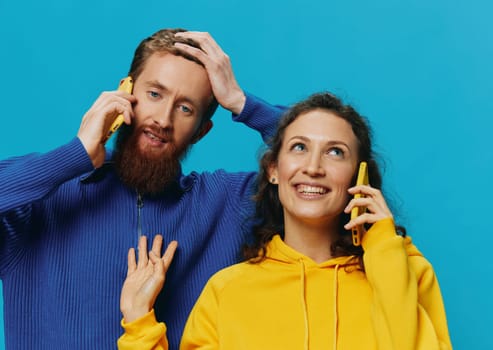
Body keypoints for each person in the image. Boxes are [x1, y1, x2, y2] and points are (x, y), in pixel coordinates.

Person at [0, 28, 285, 349]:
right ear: (126, 91)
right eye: (155, 94)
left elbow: (338, 170)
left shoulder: (228, 205)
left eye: (185, 108)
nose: (163, 119)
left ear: (201, 132)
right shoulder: (42, 201)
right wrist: (75, 155)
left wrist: (242, 103)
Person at [119, 92, 453, 349]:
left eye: (336, 152)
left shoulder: (405, 271)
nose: (314, 167)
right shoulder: (228, 291)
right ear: (273, 170)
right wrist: (140, 328)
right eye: (298, 147)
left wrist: (383, 247)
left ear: (358, 176)